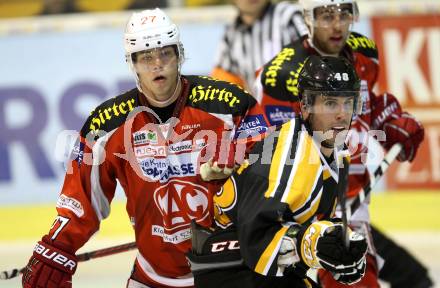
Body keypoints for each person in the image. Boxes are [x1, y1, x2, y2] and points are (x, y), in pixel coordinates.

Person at [21, 8, 269, 288]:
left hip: (226, 271)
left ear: (179, 55)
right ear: (132, 63)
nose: (157, 64)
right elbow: (81, 200)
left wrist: (237, 158)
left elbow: (267, 157)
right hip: (152, 277)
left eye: (165, 53)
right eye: (146, 57)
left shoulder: (228, 104)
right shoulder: (107, 124)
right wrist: (57, 246)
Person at [253, 0, 428, 287]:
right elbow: (273, 151)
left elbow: (366, 105)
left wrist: (391, 119)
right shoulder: (281, 77)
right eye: (326, 15)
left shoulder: (364, 53)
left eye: (344, 13)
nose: (337, 24)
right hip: (301, 203)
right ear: (308, 19)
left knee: (358, 279)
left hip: (349, 195)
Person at [187, 55, 368, 288]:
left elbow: (309, 218)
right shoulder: (292, 158)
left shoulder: (335, 149)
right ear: (305, 106)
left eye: (348, 103)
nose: (342, 114)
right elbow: (257, 239)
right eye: (331, 103)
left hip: (257, 267)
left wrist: (337, 250)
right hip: (230, 267)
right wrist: (314, 245)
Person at [211, 0, 308, 92]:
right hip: (262, 107)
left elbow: (315, 56)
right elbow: (222, 84)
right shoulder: (230, 35)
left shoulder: (288, 15)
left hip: (300, 104)